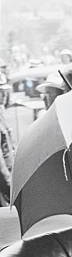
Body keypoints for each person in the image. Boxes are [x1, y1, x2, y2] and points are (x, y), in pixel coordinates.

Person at [0, 73, 14, 206]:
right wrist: (10, 185)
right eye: (1, 91)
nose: (4, 95)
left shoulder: (1, 112)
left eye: (5, 91)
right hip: (4, 186)